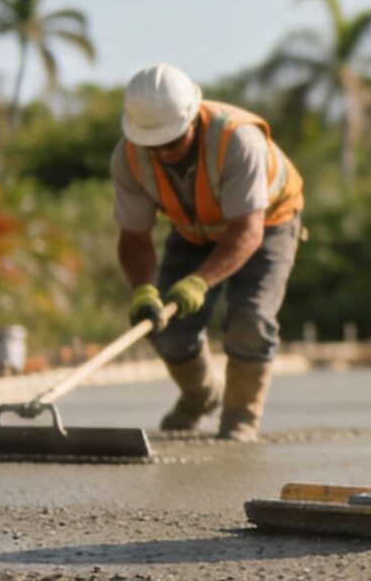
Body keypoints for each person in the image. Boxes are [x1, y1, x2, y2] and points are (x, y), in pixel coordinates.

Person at [112, 64, 305, 441]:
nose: (164, 153)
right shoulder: (129, 158)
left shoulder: (237, 141)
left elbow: (246, 232)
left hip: (266, 225)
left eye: (172, 141)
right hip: (194, 229)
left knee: (250, 320)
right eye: (154, 146)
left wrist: (200, 282)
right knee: (164, 329)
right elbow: (134, 236)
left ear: (193, 120)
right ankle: (201, 396)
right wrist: (142, 290)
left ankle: (239, 419)